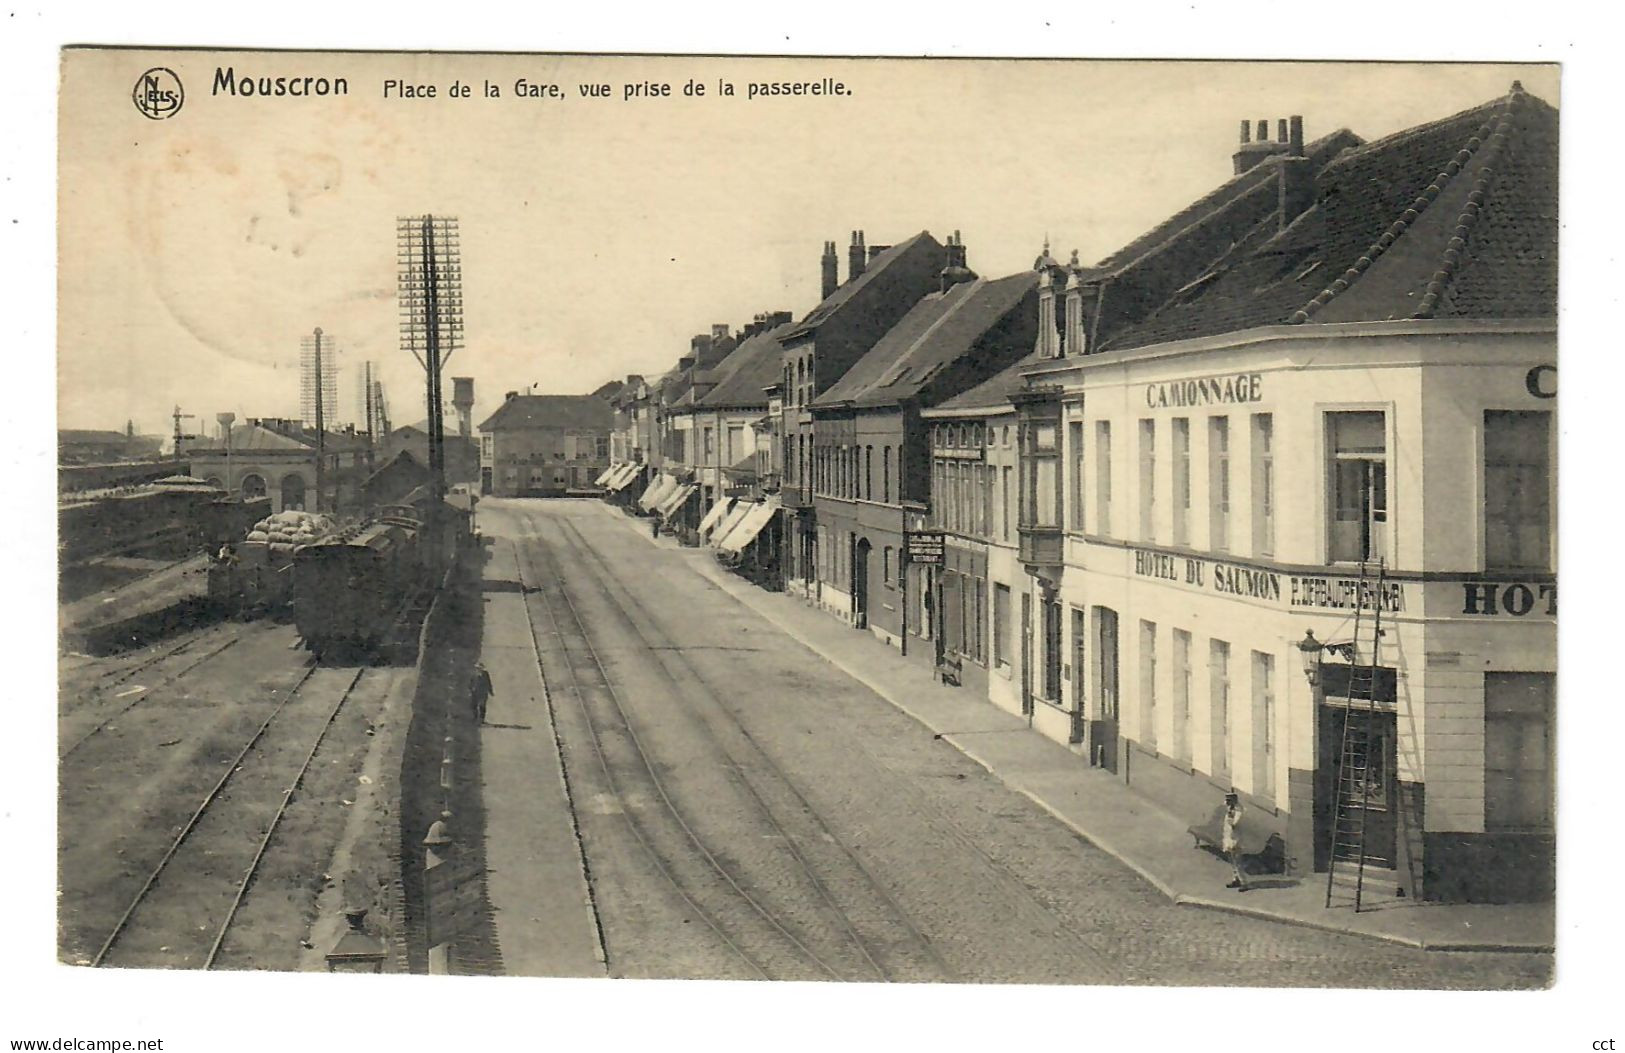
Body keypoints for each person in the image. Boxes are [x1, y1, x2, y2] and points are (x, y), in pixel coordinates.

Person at [1222, 790, 1249, 892]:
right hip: (1229, 838)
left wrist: (1230, 816)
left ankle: (1244, 882)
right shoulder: (1230, 809)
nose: (1227, 803)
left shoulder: (1239, 811)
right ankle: (1236, 879)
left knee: (1237, 862)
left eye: (1229, 801)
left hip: (1236, 839)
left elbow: (1234, 824)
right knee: (1232, 861)